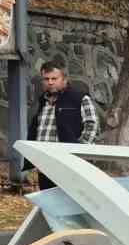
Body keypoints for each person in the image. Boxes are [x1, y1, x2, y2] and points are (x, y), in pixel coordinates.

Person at [25, 60, 100, 190]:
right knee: (49, 202)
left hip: (70, 163)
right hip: (45, 163)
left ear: (64, 79)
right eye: (46, 79)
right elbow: (37, 132)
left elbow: (92, 125)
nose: (50, 82)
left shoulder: (79, 98)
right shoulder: (42, 101)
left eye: (54, 78)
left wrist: (78, 152)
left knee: (72, 201)